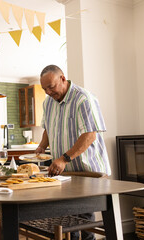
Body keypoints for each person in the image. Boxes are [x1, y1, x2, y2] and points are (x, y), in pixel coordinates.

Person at [36, 65, 111, 240]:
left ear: (62, 78)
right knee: (66, 218)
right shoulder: (48, 102)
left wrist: (64, 159)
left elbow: (90, 135)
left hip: (88, 171)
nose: (48, 92)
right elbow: (48, 128)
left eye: (51, 87)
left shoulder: (83, 99)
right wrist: (41, 146)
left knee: (83, 219)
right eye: (44, 88)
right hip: (64, 173)